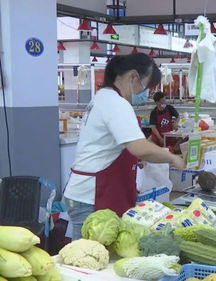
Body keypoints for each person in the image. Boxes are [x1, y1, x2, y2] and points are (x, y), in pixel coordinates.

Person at [63, 54, 184, 239]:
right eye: (147, 86)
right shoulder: (115, 103)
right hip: (92, 196)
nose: (147, 93)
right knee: (88, 259)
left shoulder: (104, 97)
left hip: (89, 192)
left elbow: (116, 147)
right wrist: (172, 157)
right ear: (133, 77)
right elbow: (139, 148)